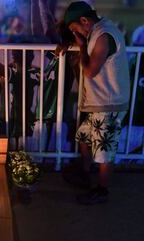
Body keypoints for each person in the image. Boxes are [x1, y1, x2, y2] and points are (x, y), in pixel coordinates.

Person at [58, 1, 131, 205]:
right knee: (83, 136)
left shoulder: (103, 35)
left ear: (84, 20)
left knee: (104, 151)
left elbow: (90, 71)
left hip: (110, 105)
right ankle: (85, 172)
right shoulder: (97, 30)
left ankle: (102, 190)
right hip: (101, 103)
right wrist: (71, 42)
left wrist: (81, 47)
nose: (77, 34)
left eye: (76, 30)